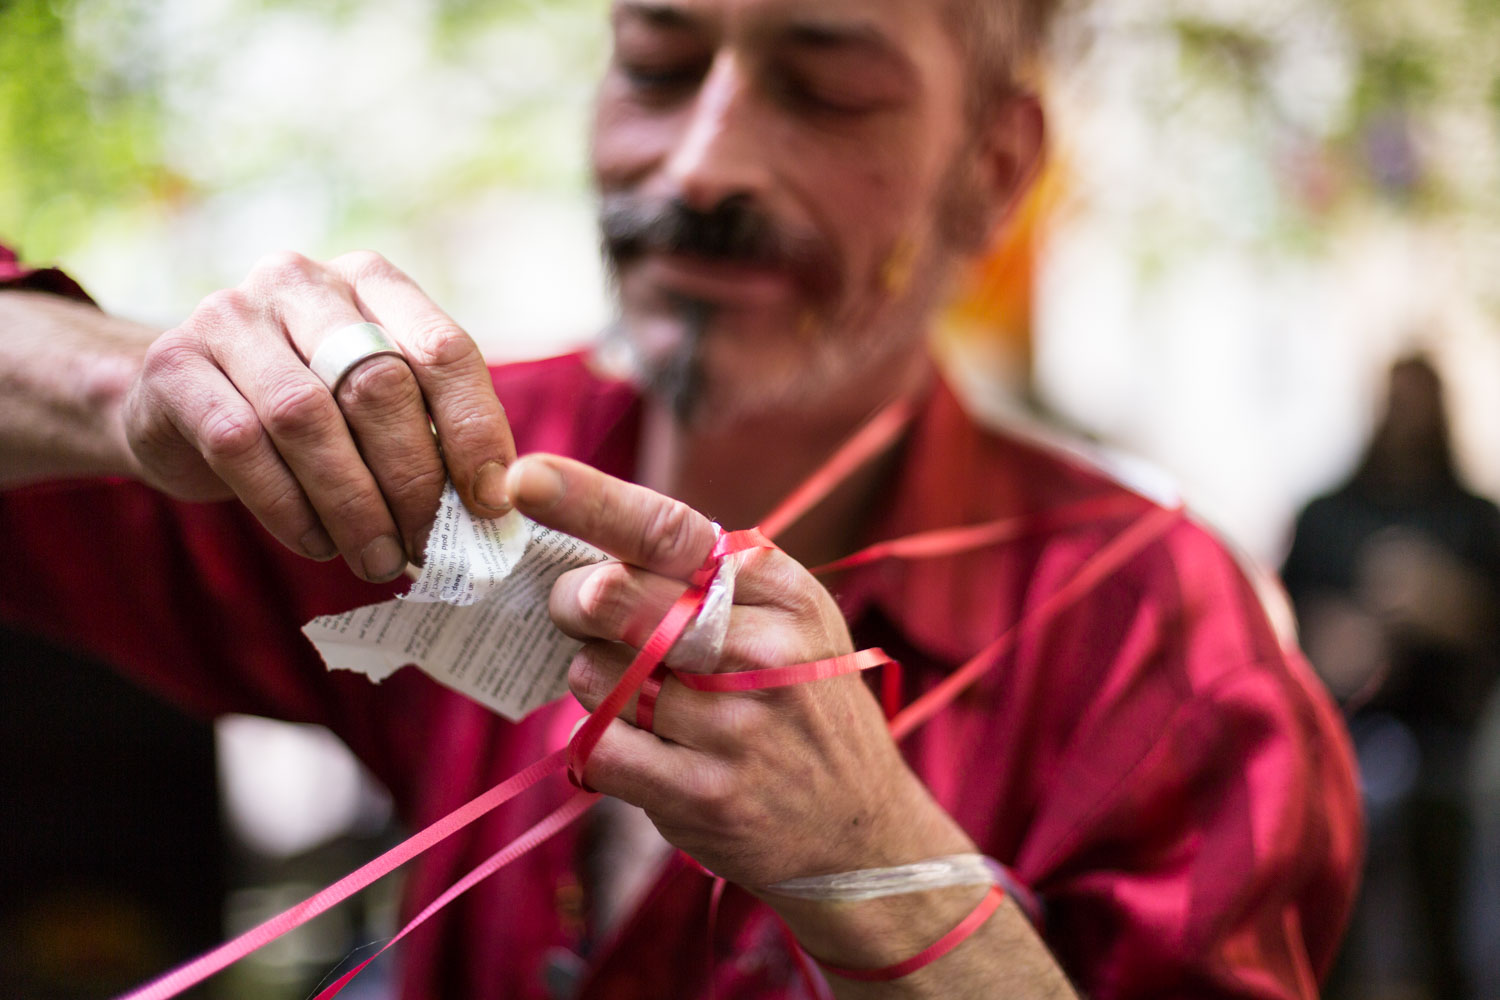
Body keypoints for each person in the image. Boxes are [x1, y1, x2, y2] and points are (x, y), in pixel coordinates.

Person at [0, 1, 1360, 998]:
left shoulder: (1165, 643)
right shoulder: (444, 463)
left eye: (826, 91)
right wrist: (124, 387)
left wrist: (882, 875)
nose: (702, 165)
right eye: (658, 65)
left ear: (995, 168)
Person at [1282, 355, 1500, 1000]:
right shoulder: (1325, 516)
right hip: (1339, 740)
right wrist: (1330, 638)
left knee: (1445, 887)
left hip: (1444, 747)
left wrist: (1450, 607)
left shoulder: (1477, 521)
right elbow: (1282, 627)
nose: (1407, 416)